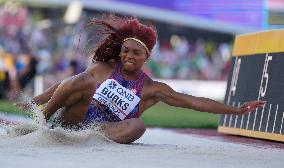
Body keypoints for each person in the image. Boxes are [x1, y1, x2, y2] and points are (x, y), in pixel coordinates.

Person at [24, 15, 265, 144]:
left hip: (101, 132)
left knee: (138, 126)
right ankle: (40, 122)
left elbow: (192, 102)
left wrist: (236, 110)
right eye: (126, 50)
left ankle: (87, 141)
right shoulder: (103, 67)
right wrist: (35, 102)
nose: (129, 56)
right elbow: (66, 86)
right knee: (84, 80)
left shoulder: (152, 89)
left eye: (136, 53)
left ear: (146, 57)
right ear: (120, 51)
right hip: (75, 118)